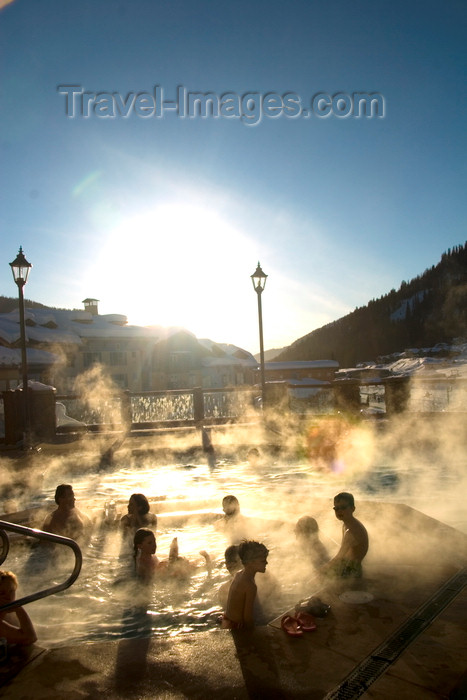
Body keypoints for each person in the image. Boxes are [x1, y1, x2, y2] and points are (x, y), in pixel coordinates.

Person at [320, 492, 368, 579]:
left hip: (351, 572)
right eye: (336, 508)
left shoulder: (351, 531)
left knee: (315, 582)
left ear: (353, 509)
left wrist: (322, 570)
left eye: (343, 507)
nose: (339, 511)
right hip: (347, 568)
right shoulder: (346, 525)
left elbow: (339, 557)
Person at [222, 540, 268, 629]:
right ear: (251, 562)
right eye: (263, 560)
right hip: (237, 627)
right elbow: (247, 618)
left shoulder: (238, 574)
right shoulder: (250, 586)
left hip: (227, 620)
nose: (266, 562)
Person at [0, 570, 37, 646]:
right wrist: (18, 608)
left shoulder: (8, 613)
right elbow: (31, 638)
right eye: (2, 593)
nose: (9, 597)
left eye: (11, 591)